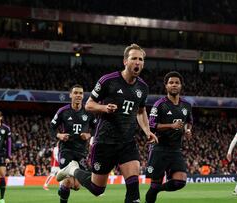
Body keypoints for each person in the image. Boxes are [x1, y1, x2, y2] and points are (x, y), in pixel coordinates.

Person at [57, 43, 158, 203]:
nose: (137, 62)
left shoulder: (143, 88)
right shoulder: (108, 80)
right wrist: (104, 108)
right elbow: (89, 104)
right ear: (125, 61)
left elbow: (141, 111)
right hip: (105, 142)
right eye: (134, 59)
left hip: (127, 142)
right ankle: (73, 169)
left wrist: (147, 130)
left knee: (133, 188)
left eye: (140, 59)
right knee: (97, 189)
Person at [145, 71, 193, 203]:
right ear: (166, 86)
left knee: (180, 181)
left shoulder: (187, 105)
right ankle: (156, 189)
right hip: (159, 148)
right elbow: (151, 125)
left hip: (176, 149)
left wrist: (188, 130)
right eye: (171, 83)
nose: (174, 85)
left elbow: (189, 122)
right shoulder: (159, 104)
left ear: (181, 86)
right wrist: (171, 126)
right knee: (154, 184)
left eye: (177, 83)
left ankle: (158, 189)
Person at [50, 84, 97, 203]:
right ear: (70, 95)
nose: (78, 95)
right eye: (75, 93)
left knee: (76, 186)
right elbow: (51, 128)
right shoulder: (63, 111)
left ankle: (62, 188)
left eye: (80, 93)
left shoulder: (88, 112)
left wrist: (89, 135)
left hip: (81, 151)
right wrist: (59, 135)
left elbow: (96, 127)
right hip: (66, 150)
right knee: (68, 181)